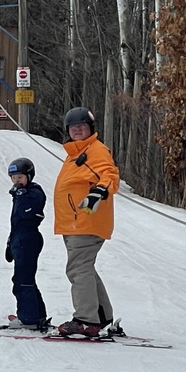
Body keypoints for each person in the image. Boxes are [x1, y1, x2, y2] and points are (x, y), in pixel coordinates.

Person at [53, 107, 119, 337]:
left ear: (91, 128)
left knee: (78, 268)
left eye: (82, 126)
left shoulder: (96, 150)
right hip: (75, 222)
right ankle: (101, 315)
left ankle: (85, 320)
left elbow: (110, 174)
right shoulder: (75, 153)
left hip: (86, 221)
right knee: (84, 267)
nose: (78, 130)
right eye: (73, 127)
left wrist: (99, 192)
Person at [3, 157, 48, 330]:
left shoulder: (34, 192)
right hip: (19, 240)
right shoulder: (20, 193)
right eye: (13, 178)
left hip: (29, 240)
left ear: (29, 176)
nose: (16, 182)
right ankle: (37, 315)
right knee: (26, 279)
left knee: (22, 281)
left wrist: (20, 194)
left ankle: (28, 319)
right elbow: (16, 222)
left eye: (20, 178)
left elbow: (28, 213)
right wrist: (10, 244)